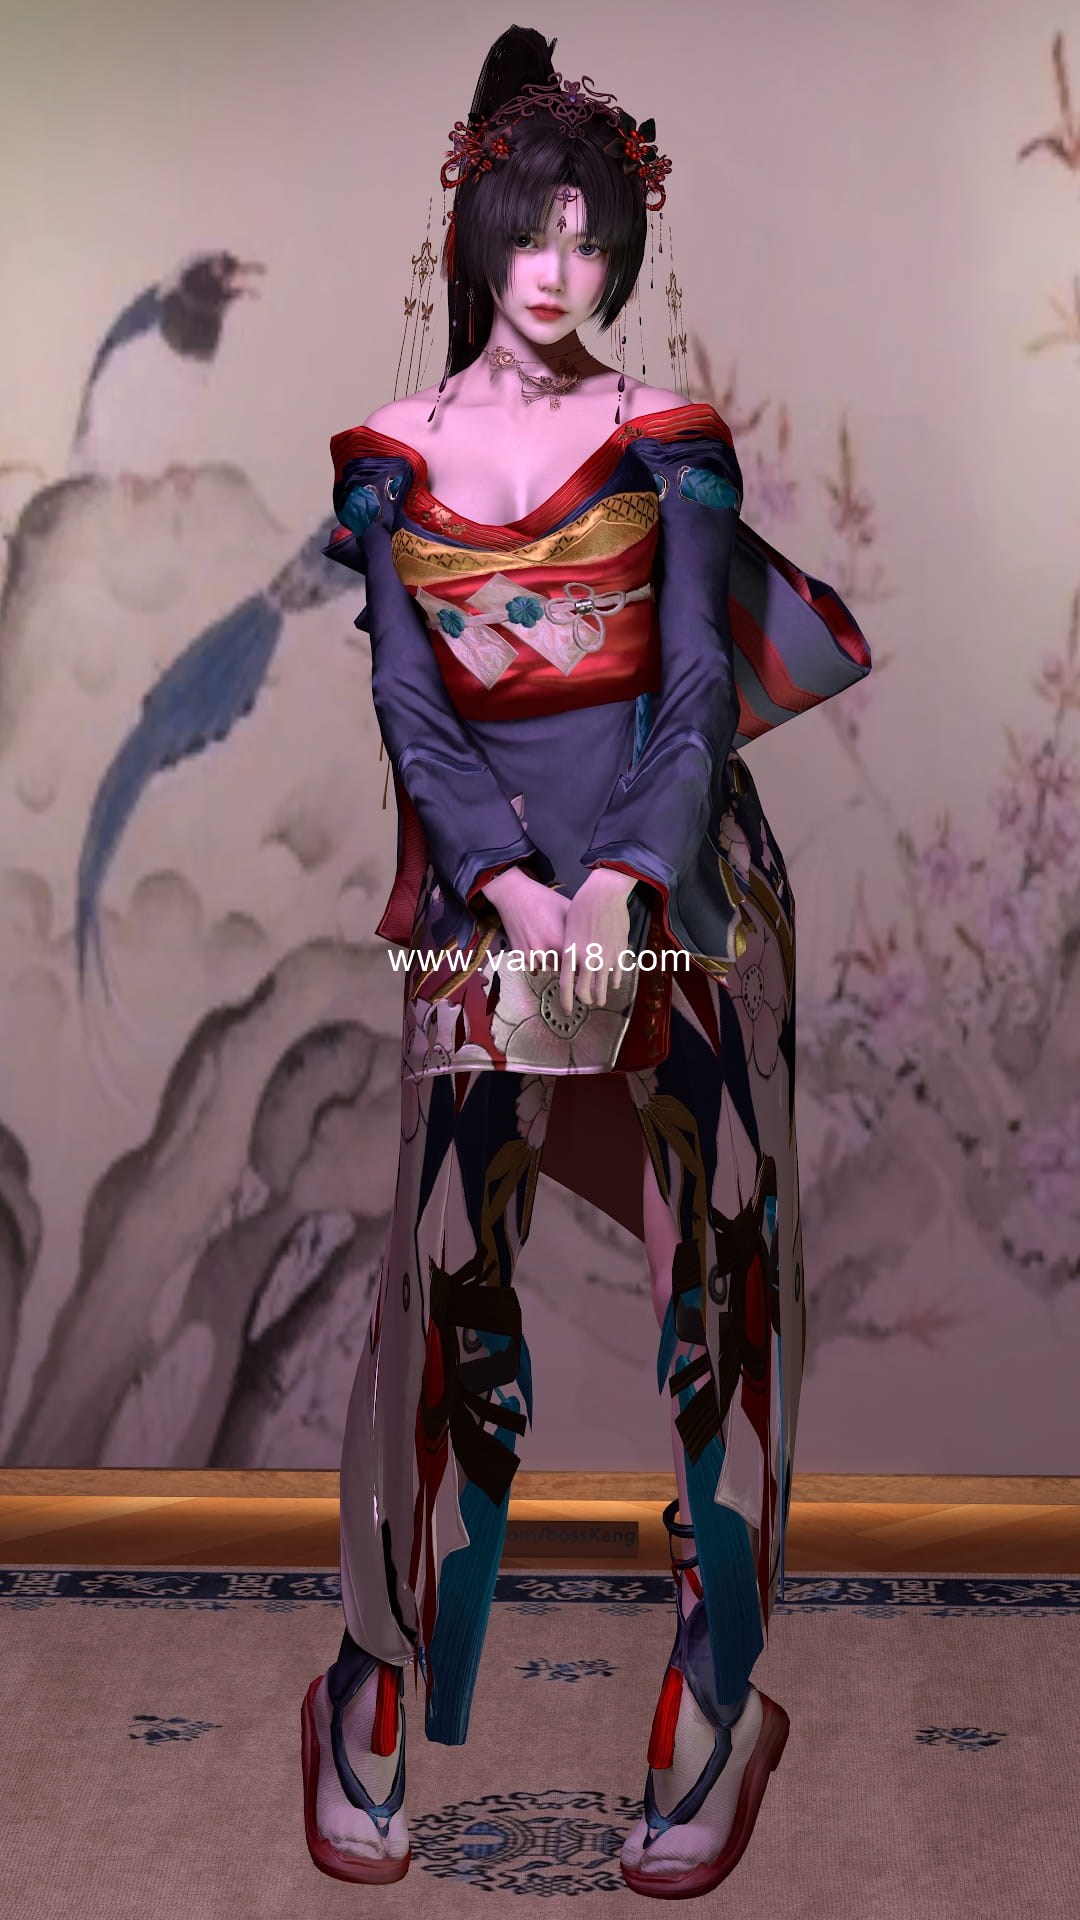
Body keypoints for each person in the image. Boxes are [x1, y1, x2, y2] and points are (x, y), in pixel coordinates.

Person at [299, 25, 870, 1899]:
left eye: (592, 236)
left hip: (680, 884)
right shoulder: (389, 460)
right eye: (532, 231)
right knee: (441, 1282)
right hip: (491, 904)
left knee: (725, 1283)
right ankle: (373, 1671)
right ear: (473, 234)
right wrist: (508, 885)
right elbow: (408, 698)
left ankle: (721, 1694)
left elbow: (695, 682)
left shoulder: (668, 436)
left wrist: (621, 873)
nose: (562, 270)